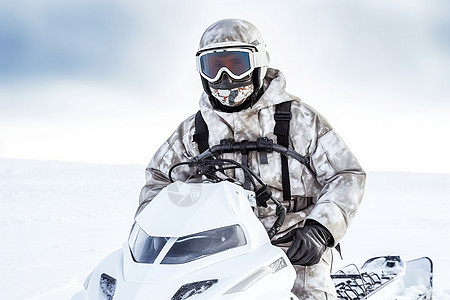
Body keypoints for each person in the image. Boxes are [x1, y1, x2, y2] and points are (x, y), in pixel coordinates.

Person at [137, 18, 366, 299]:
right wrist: (154, 238)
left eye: (236, 65)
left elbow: (347, 175)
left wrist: (320, 229)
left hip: (293, 246)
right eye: (213, 67)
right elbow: (159, 179)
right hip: (218, 253)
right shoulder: (195, 130)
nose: (224, 78)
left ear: (258, 63)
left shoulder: (300, 120)